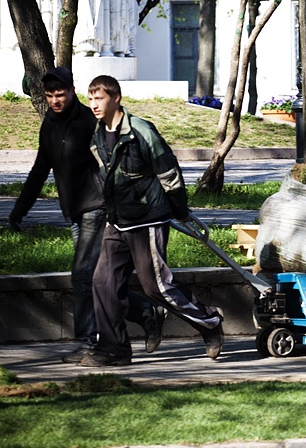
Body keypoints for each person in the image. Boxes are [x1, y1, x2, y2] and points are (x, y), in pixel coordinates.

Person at [9, 67, 166, 364]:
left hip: (97, 206)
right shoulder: (50, 125)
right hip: (74, 211)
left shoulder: (87, 122)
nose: (55, 100)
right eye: (50, 95)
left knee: (82, 275)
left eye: (61, 94)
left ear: (71, 91)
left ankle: (87, 341)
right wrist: (20, 208)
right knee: (95, 279)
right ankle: (145, 311)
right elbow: (41, 168)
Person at [83, 74, 224, 367]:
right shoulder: (96, 134)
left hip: (146, 220)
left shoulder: (141, 131)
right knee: (103, 283)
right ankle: (114, 349)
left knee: (156, 287)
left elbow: (168, 172)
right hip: (117, 220)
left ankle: (209, 320)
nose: (94, 104)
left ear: (116, 98)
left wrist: (180, 209)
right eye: (91, 98)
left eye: (100, 98)